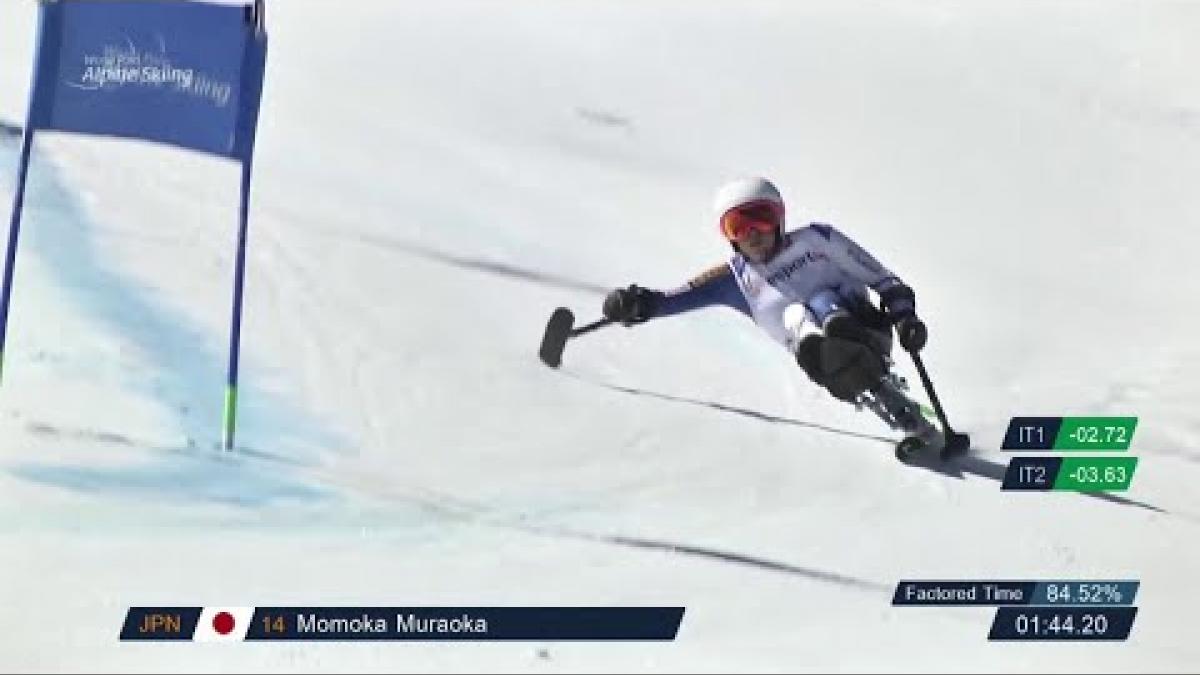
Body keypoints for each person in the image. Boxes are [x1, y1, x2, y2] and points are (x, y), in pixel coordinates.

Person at [602, 176, 929, 409]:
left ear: (779, 220)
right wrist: (637, 303)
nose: (752, 235)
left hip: (866, 330)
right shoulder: (734, 280)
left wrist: (905, 318)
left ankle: (841, 336)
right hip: (824, 364)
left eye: (760, 220)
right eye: (738, 227)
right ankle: (827, 352)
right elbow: (673, 298)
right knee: (796, 314)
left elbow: (884, 280)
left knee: (820, 300)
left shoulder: (818, 240)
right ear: (728, 237)